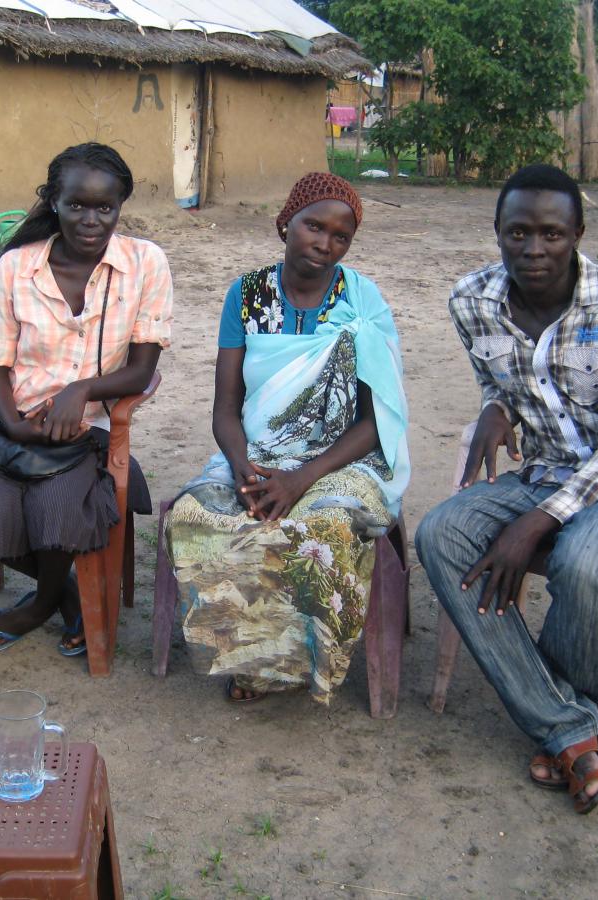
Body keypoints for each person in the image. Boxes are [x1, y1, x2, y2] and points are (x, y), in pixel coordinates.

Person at [415, 164, 598, 814]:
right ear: (498, 233)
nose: (534, 250)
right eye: (518, 233)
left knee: (582, 562)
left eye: (552, 234)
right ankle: (569, 726)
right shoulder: (470, 301)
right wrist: (495, 408)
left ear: (579, 234)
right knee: (440, 534)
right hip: (544, 468)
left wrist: (537, 522)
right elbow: (499, 379)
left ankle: (566, 730)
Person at [163, 172, 410, 704]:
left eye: (340, 237)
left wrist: (300, 479)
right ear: (285, 224)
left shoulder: (363, 303)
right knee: (195, 518)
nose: (324, 243)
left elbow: (374, 423)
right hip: (258, 451)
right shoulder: (246, 295)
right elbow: (226, 407)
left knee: (322, 530)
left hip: (343, 461)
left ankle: (299, 663)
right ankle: (251, 655)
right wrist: (242, 468)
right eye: (313, 226)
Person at [0, 143, 172, 655]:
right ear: (53, 202)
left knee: (58, 507)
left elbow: (141, 369)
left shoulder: (145, 264)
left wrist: (83, 390)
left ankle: (38, 603)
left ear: (120, 206)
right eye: (76, 206)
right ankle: (66, 594)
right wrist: (15, 425)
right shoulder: (16, 267)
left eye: (105, 208)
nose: (91, 220)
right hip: (3, 420)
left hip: (86, 424)